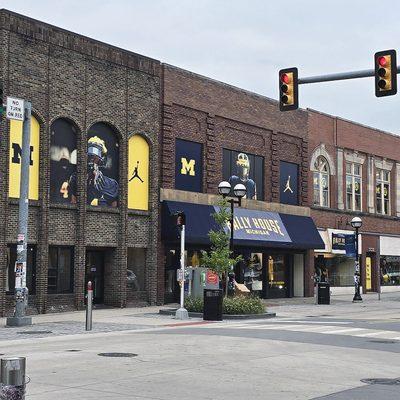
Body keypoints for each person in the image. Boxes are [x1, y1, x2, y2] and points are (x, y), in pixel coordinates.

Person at [69, 136, 119, 207]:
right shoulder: (75, 178)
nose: (91, 161)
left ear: (102, 160)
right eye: (89, 157)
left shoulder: (111, 184)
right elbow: (73, 202)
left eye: (95, 158)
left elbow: (114, 208)